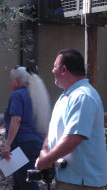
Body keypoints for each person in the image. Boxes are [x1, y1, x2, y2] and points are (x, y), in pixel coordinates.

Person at [35, 49, 107, 189]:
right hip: (69, 178)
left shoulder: (83, 96)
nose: (52, 70)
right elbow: (53, 130)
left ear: (64, 70)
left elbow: (73, 137)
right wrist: (44, 151)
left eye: (54, 67)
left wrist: (47, 159)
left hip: (81, 182)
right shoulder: (66, 96)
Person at [1, 66, 51, 190]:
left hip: (21, 146)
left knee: (26, 183)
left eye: (10, 80)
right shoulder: (37, 95)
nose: (9, 83)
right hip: (36, 144)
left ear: (17, 80)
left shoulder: (17, 95)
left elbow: (16, 120)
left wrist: (7, 145)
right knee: (19, 183)